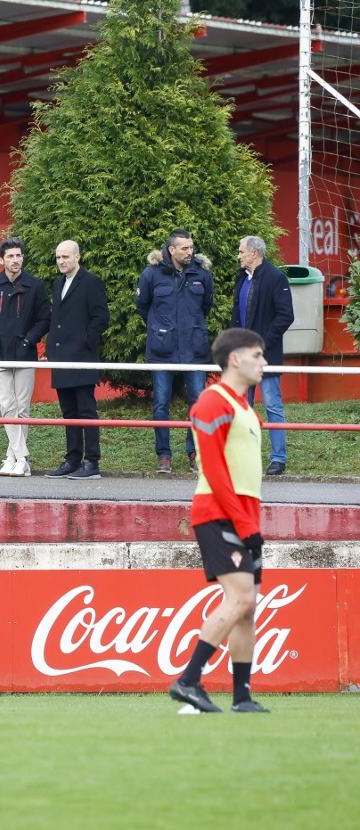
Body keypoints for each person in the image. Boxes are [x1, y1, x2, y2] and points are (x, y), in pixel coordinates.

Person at [169, 328, 270, 714]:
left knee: (248, 608)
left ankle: (242, 697)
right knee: (240, 597)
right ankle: (189, 680)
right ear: (235, 359)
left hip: (244, 515)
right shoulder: (213, 402)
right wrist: (244, 524)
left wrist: (251, 522)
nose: (264, 362)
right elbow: (214, 469)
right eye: (258, 355)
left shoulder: (244, 406)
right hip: (219, 514)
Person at [136, 228, 214, 474]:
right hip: (162, 351)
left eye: (191, 247)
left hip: (195, 350)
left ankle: (194, 453)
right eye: (184, 248)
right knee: (160, 403)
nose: (190, 252)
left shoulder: (202, 274)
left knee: (198, 404)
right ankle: (164, 456)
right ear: (171, 250)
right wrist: (161, 330)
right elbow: (142, 306)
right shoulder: (151, 275)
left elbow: (207, 305)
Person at [0, 237, 50, 476]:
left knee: (22, 408)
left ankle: (13, 458)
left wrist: (29, 340)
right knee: (7, 405)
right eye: (11, 256)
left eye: (19, 255)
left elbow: (44, 319)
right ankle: (21, 457)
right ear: (1, 260)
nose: (16, 260)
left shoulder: (35, 285)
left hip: (24, 354)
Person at [43, 240, 110, 480]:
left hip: (81, 357)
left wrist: (84, 343)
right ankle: (72, 459)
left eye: (65, 257)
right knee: (68, 412)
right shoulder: (58, 283)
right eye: (58, 257)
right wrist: (51, 348)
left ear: (77, 257)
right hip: (61, 358)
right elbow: (57, 319)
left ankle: (92, 462)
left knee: (86, 410)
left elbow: (101, 318)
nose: (61, 261)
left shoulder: (91, 282)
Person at [232, 235, 294, 476]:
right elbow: (236, 315)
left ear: (254, 253)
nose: (239, 256)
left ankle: (278, 458)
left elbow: (285, 316)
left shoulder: (276, 278)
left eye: (241, 251)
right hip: (243, 355)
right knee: (242, 406)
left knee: (272, 405)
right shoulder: (242, 278)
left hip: (265, 355)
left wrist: (262, 344)